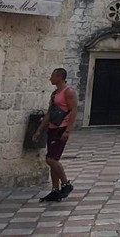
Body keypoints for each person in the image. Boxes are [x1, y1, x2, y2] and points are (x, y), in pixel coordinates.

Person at [31, 68, 78, 202]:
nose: (50, 78)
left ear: (60, 77)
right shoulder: (55, 94)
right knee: (53, 160)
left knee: (51, 159)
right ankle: (55, 190)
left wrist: (68, 130)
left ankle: (66, 184)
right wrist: (39, 130)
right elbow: (49, 114)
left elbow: (74, 110)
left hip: (61, 129)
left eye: (52, 76)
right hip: (52, 128)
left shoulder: (68, 92)